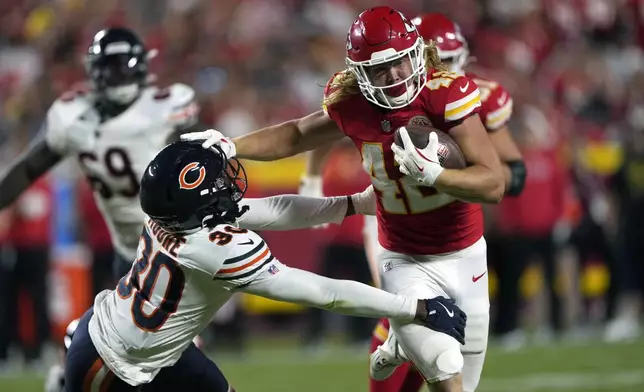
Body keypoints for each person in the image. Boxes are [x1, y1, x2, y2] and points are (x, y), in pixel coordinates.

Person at [182, 6, 505, 392]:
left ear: (416, 53)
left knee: (465, 384)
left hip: (466, 254)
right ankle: (406, 340)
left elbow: (493, 184)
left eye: (401, 62)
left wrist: (437, 175)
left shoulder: (446, 94)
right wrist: (230, 146)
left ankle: (400, 343)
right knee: (443, 364)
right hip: (403, 257)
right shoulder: (352, 102)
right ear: (361, 74)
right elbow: (298, 135)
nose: (396, 76)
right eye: (381, 69)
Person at [64, 140, 467, 392]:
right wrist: (417, 307)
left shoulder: (174, 217)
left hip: (148, 342)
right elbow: (324, 293)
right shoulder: (215, 249)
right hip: (116, 366)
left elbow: (272, 209)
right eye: (219, 184)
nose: (229, 185)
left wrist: (352, 204)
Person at [364, 13, 527, 392]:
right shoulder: (386, 94)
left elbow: (513, 175)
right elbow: (320, 127)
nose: (445, 71)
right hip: (397, 220)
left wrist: (460, 172)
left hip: (458, 226)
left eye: (451, 61)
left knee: (446, 344)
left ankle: (400, 347)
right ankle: (398, 344)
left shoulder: (473, 95)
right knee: (405, 315)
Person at [0, 27, 204, 282]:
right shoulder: (74, 117)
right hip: (126, 249)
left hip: (174, 241)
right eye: (110, 67)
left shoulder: (165, 107)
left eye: (124, 67)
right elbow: (29, 168)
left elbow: (206, 153)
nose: (118, 75)